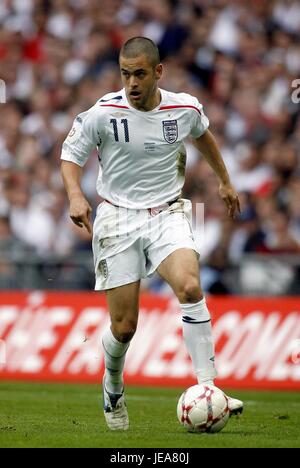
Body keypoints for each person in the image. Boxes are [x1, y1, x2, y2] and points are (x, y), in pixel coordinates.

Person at [61, 37, 243, 431]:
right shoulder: (103, 112)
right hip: (117, 218)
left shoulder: (185, 107)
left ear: (158, 72)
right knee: (124, 328)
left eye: (140, 73)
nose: (132, 82)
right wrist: (75, 195)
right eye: (125, 73)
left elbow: (203, 135)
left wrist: (225, 182)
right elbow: (70, 154)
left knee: (192, 288)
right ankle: (112, 384)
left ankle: (209, 388)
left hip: (168, 213)